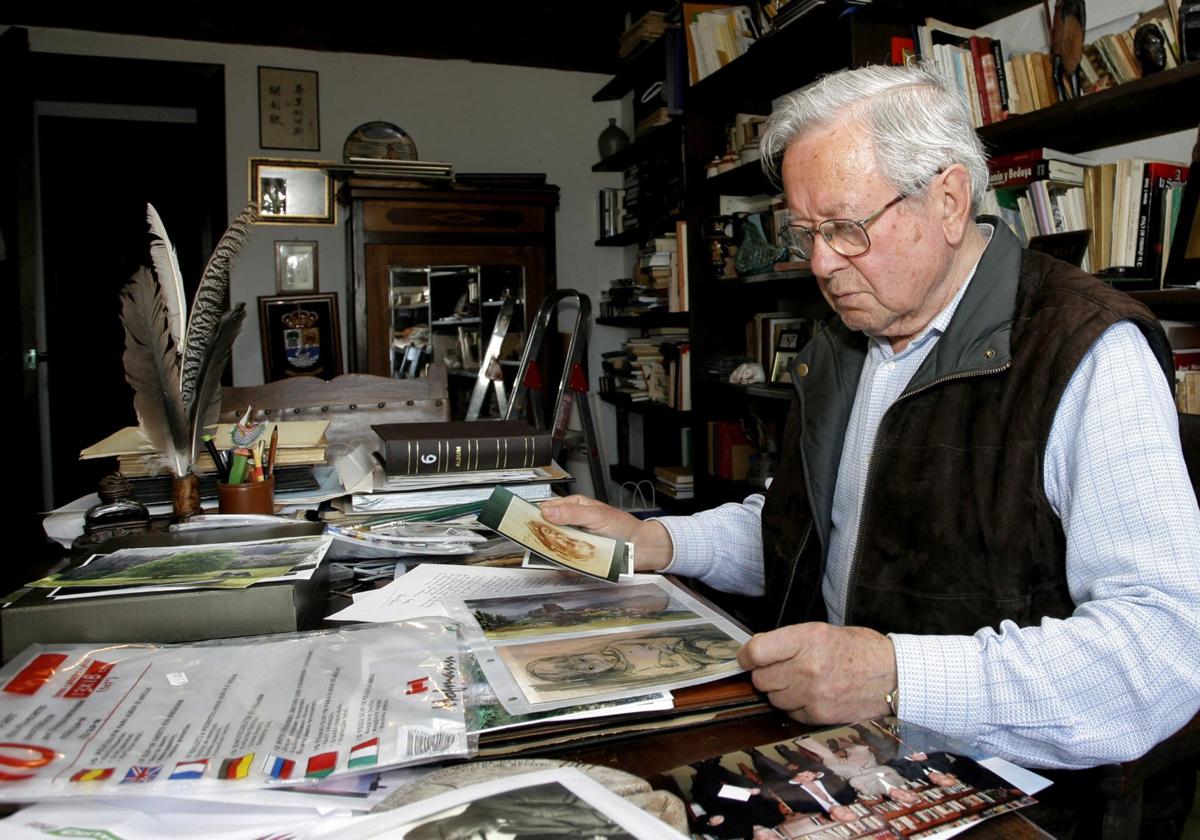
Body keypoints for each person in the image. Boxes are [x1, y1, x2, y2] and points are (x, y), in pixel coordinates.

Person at [541, 61, 1200, 827]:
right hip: (849, 753)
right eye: (806, 232)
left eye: (848, 227)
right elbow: (822, 532)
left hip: (1021, 795)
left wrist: (897, 676)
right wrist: (654, 540)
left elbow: (1162, 651)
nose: (821, 263)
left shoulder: (1089, 352)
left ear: (949, 200)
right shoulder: (849, 342)